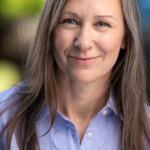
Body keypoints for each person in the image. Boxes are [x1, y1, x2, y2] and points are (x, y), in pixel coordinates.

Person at [0, 0, 150, 149]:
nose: (84, 42)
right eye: (70, 21)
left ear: (126, 36)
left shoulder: (147, 130)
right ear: (50, 30)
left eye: (102, 24)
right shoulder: (4, 117)